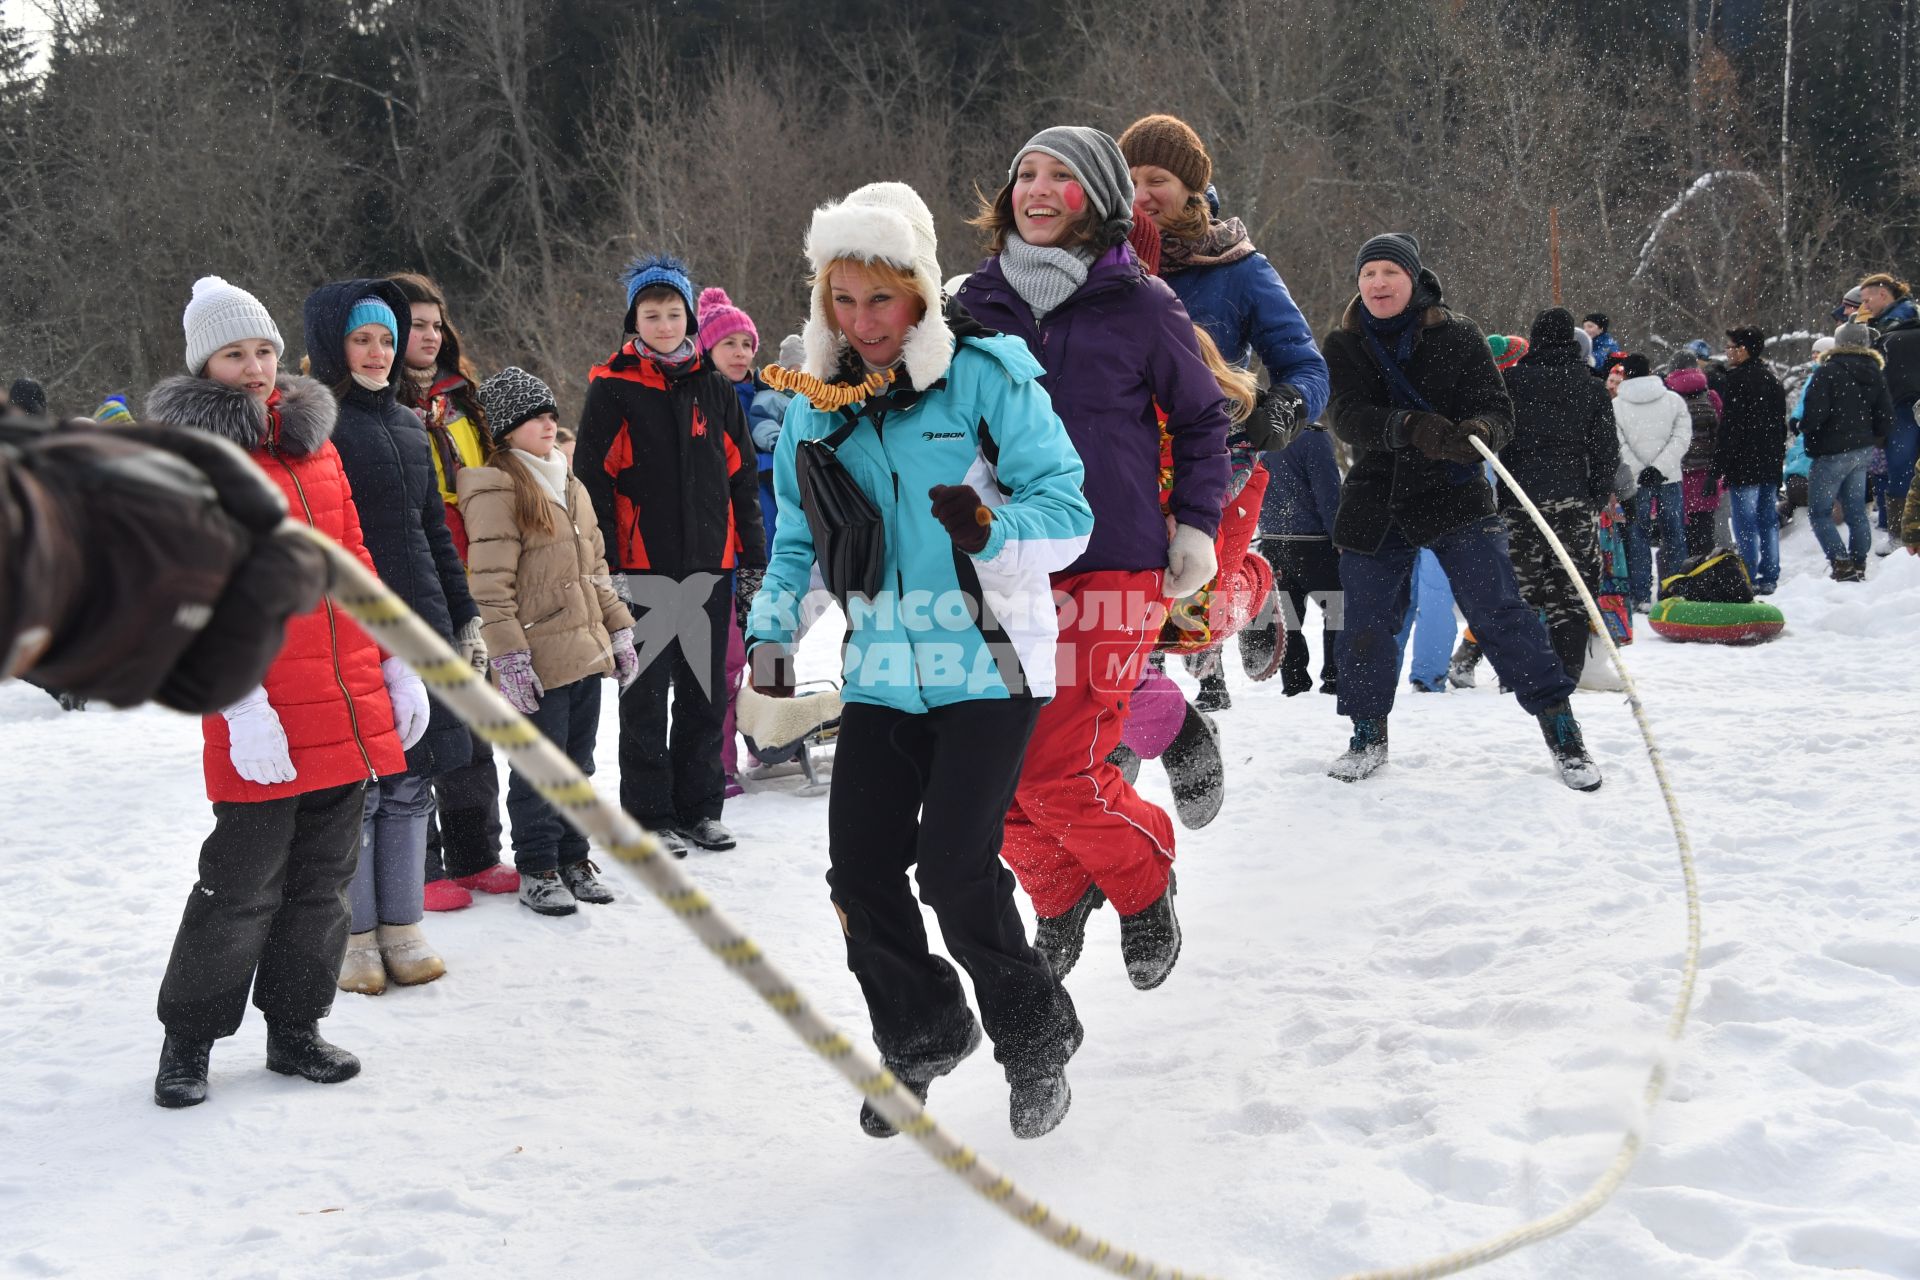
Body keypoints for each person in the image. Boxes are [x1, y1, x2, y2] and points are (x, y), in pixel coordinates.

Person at [746, 180, 1093, 1139]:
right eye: (842, 301)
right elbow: (795, 543)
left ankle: (1034, 1036)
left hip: (989, 668)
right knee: (859, 875)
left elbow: (1069, 515)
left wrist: (991, 528)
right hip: (882, 677)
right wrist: (771, 629)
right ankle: (924, 1030)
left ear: (920, 294)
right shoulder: (815, 408)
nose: (863, 322)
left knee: (950, 869)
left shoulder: (986, 378)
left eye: (881, 299)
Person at [957, 126, 1232, 990]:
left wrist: (1195, 524)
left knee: (1055, 767)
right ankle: (1060, 891)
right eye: (1024, 173)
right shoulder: (968, 305)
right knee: (990, 785)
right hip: (1000, 565)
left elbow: (1200, 420)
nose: (1036, 189)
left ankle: (1146, 881)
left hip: (1112, 561)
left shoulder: (1144, 303)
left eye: (1061, 176)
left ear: (1103, 199)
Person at [144, 276, 421, 1107]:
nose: (256, 367)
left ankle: (296, 1027)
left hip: (344, 699)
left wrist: (398, 659)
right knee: (239, 891)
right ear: (205, 366)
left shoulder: (315, 445)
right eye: (235, 354)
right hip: (263, 712)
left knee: (323, 884)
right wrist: (239, 705)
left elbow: (357, 561)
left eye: (264, 349)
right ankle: (188, 1042)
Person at [1320, 233, 1600, 790]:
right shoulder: (1344, 344)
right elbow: (1345, 416)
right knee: (1366, 621)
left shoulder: (1460, 335)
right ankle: (1367, 731)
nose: (1378, 283)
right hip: (1376, 498)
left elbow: (1498, 407)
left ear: (1413, 279)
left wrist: (1480, 431)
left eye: (1389, 273)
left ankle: (1559, 725)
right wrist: (1404, 426)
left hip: (1454, 492)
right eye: (1368, 273)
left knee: (1501, 610)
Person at [1119, 112, 1329, 711]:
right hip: (1124, 460)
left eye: (1156, 178)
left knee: (1193, 621)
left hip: (1215, 456)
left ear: (1191, 187)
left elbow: (1307, 366)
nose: (1141, 195)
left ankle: (1254, 588)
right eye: (1128, 179)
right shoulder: (1103, 258)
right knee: (1127, 613)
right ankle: (1126, 735)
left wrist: (1287, 406)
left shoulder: (1237, 267)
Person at [303, 278, 477, 996]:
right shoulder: (320, 427)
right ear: (332, 346)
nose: (378, 353)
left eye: (386, 339)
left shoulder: (411, 424)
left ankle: (404, 926)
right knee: (365, 787)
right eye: (361, 339)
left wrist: (463, 613)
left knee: (412, 782)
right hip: (354, 626)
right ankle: (356, 935)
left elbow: (432, 529)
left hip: (423, 618)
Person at [575, 255, 767, 856]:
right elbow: (592, 482)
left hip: (709, 566)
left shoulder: (715, 388)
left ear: (689, 317)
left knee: (706, 694)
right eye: (650, 313)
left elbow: (741, 480)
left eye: (673, 312)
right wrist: (604, 565)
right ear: (634, 319)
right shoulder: (613, 387)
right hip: (642, 569)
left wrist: (752, 559)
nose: (663, 323)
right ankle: (649, 814)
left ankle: (699, 807)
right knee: (645, 696)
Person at [459, 367, 639, 913]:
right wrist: (508, 655)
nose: (547, 422)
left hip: (583, 650)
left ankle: (572, 854)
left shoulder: (570, 481)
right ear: (506, 428)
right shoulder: (496, 487)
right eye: (533, 416)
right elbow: (490, 586)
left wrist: (620, 629)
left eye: (550, 413)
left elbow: (596, 569)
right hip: (537, 656)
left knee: (579, 763)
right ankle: (537, 864)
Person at [387, 271, 518, 911]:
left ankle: (476, 853)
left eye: (437, 325)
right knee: (419, 722)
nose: (430, 336)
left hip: (474, 575)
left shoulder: (466, 401)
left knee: (474, 718)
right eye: (416, 325)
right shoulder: (373, 408)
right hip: (413, 577)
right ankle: (423, 861)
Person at [1496, 308, 1618, 685]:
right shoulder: (1591, 386)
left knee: (1521, 589)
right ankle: (1568, 671)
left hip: (1522, 498)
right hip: (1572, 497)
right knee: (1571, 590)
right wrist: (1595, 495)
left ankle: (1520, 674)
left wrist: (1505, 491)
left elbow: (1500, 440)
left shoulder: (1512, 382)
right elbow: (1605, 451)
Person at [694, 286, 767, 799]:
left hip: (770, 552)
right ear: (707, 350)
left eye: (747, 344)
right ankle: (718, 764)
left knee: (771, 653)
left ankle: (770, 737)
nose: (741, 353)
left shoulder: (772, 404)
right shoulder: (700, 406)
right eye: (730, 345)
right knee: (723, 662)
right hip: (720, 556)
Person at [1254, 422, 1343, 696]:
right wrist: (1340, 536)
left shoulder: (1263, 436)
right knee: (1337, 610)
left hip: (1273, 541)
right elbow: (1328, 493)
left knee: (1288, 618)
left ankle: (1293, 681)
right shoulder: (1313, 439)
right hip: (1315, 543)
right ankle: (1335, 678)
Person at [1800, 322, 1892, 581]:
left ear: (1839, 343)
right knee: (1856, 511)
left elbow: (1815, 413)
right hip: (1862, 450)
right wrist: (1873, 438)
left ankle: (1841, 563)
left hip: (1831, 450)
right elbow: (1886, 414)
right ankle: (1859, 563)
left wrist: (1802, 427)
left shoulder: (1827, 372)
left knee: (1819, 512)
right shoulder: (1875, 372)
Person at [1612, 353, 1691, 609]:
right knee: (1674, 535)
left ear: (1625, 374)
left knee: (1637, 536)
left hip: (1634, 481)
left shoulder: (1617, 406)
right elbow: (1682, 437)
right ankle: (1673, 589)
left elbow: (1617, 443)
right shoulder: (1673, 401)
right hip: (1669, 477)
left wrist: (1641, 469)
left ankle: (1641, 594)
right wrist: (1659, 468)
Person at [1713, 327, 1787, 593]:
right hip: (1768, 460)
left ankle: (1749, 574)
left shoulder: (1738, 380)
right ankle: (1770, 573)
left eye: (1730, 347)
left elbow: (1730, 427)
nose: (1727, 352)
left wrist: (1718, 465)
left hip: (1744, 461)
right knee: (1767, 519)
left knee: (1745, 522)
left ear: (1743, 349)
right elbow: (1781, 425)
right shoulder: (1772, 378)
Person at [1858, 272, 1920, 553]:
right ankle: (1900, 534)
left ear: (1883, 293)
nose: (1864, 305)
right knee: (1902, 470)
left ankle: (1900, 536)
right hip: (1900, 406)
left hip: (1905, 407)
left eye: (1867, 298)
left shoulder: (1896, 328)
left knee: (1902, 469)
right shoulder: (1883, 328)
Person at [1664, 352, 1725, 558]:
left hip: (1675, 474)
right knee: (1704, 530)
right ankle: (1702, 576)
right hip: (1705, 474)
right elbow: (1720, 435)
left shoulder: (1668, 397)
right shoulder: (1710, 396)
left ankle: (1681, 577)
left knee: (1676, 533)